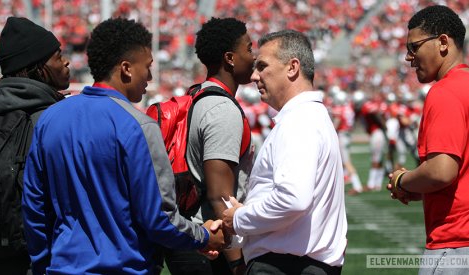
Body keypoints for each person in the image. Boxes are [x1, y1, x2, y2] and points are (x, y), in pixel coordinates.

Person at [21, 17, 225, 275]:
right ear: (126, 68)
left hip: (63, 268)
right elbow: (159, 219)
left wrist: (43, 265)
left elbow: (34, 209)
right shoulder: (140, 126)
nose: (150, 76)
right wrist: (204, 236)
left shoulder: (50, 119)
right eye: (148, 67)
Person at [221, 30, 347, 275]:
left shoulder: (299, 120)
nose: (254, 75)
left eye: (262, 66)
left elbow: (292, 199)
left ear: (292, 68)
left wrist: (239, 218)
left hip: (285, 266)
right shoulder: (308, 116)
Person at [163, 17, 255, 275]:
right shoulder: (222, 109)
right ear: (230, 58)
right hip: (211, 244)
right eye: (248, 49)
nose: (254, 56)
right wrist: (237, 263)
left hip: (196, 238)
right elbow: (219, 196)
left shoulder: (199, 94)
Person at [0, 16, 70, 275]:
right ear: (37, 67)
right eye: (57, 56)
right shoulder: (57, 120)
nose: (65, 62)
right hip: (48, 261)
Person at [387, 5, 469, 275]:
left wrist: (401, 180)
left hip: (456, 242)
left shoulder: (445, 91)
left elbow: (441, 171)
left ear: (443, 42)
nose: (409, 58)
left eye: (415, 47)